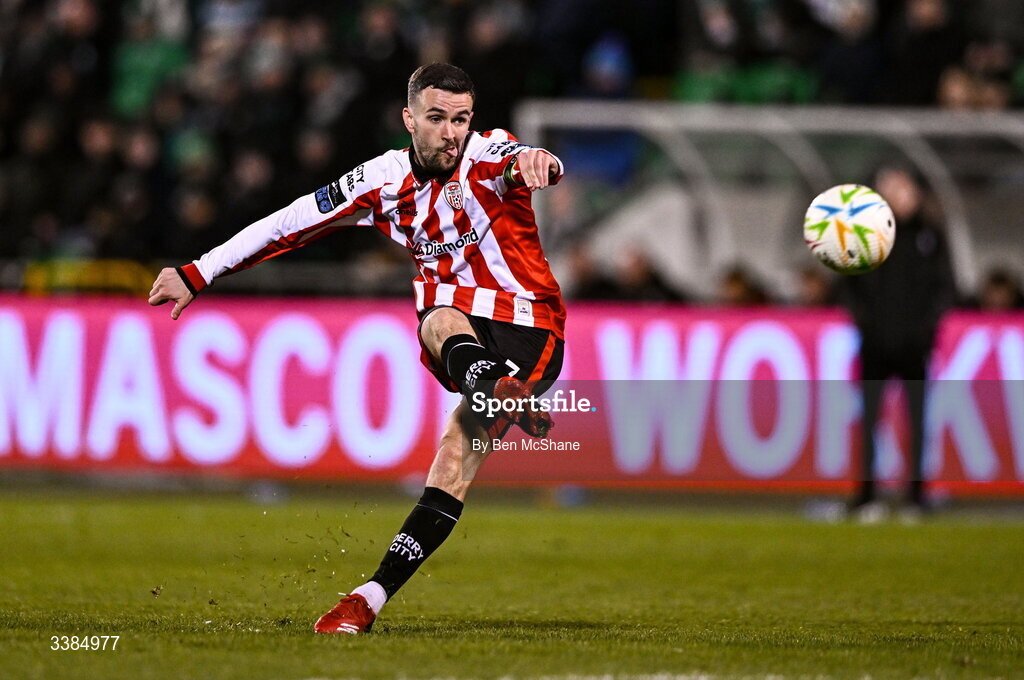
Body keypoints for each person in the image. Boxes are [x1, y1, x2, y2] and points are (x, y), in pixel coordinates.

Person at [148, 63, 567, 633]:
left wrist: (541, 161)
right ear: (408, 118)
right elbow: (290, 222)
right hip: (465, 333)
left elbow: (518, 158)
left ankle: (496, 385)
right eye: (437, 118)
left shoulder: (487, 155)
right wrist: (199, 272)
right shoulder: (382, 180)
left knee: (445, 381)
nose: (450, 132)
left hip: (530, 330)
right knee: (438, 340)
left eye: (461, 119)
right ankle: (367, 598)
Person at [841, 164, 955, 521]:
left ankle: (916, 496)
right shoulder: (864, 234)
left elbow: (946, 286)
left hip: (914, 346)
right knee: (870, 420)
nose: (896, 196)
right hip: (874, 343)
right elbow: (846, 283)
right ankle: (866, 495)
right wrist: (864, 322)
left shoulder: (930, 236)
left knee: (917, 420)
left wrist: (926, 329)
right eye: (888, 188)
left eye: (902, 188)